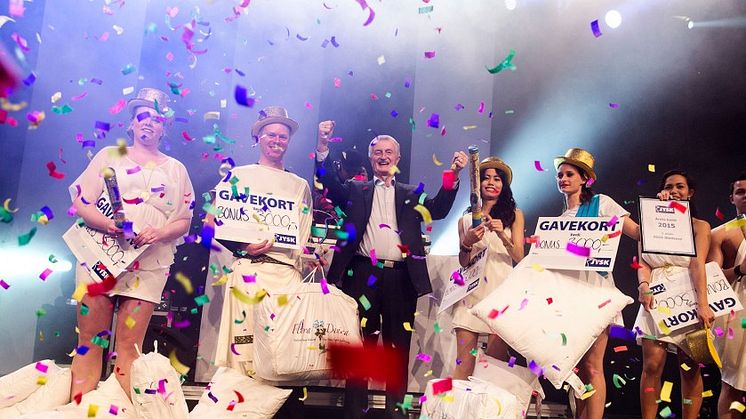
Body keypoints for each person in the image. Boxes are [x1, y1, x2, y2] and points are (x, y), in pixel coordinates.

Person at [315, 120, 467, 418]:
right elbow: (329, 184)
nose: (383, 156)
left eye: (389, 152)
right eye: (377, 152)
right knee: (361, 347)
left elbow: (437, 209)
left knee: (397, 348)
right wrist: (323, 148)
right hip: (361, 275)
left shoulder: (411, 193)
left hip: (401, 278)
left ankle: (395, 413)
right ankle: (355, 412)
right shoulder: (356, 189)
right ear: (371, 159)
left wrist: (454, 175)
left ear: (398, 158)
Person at [68, 88, 195, 399]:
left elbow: (184, 220)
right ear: (132, 123)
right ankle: (77, 410)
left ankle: (122, 411)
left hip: (149, 263)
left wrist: (160, 232)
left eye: (156, 118)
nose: (148, 123)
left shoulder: (176, 169)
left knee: (130, 345)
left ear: (164, 127)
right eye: (142, 116)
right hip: (101, 254)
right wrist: (110, 224)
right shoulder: (110, 155)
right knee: (91, 340)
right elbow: (81, 203)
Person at [213, 106, 313, 379]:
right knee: (244, 355)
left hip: (286, 276)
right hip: (250, 272)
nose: (277, 141)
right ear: (258, 137)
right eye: (271, 135)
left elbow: (302, 232)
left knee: (282, 355)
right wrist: (242, 247)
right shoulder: (238, 176)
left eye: (283, 136)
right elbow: (217, 223)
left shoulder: (299, 185)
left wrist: (306, 258)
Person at [553, 148, 640, 419]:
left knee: (593, 366)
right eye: (560, 175)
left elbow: (636, 233)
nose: (563, 179)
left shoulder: (601, 204)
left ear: (584, 179)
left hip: (596, 291)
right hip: (570, 294)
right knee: (575, 368)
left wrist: (662, 215)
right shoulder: (558, 221)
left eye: (570, 174)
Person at [633, 169, 714, 419]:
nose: (675, 191)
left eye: (680, 187)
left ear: (690, 193)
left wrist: (703, 304)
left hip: (687, 292)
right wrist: (644, 285)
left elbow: (697, 264)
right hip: (656, 293)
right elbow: (643, 262)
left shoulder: (700, 226)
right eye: (669, 186)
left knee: (689, 367)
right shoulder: (649, 222)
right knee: (652, 365)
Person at [452, 157, 524, 379]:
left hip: (501, 295)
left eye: (497, 179)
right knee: (464, 365)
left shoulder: (514, 216)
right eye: (486, 178)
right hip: (470, 295)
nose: (491, 182)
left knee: (494, 365)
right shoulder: (464, 220)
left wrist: (502, 233)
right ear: (478, 184)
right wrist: (468, 242)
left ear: (504, 185)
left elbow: (519, 256)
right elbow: (463, 262)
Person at [708, 172, 746, 418]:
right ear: (731, 198)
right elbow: (711, 277)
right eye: (741, 192)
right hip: (737, 313)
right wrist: (741, 269)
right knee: (732, 382)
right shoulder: (720, 233)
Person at [313, 146, 368, 225]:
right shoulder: (329, 180)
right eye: (348, 171)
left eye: (355, 171)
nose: (352, 174)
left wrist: (365, 186)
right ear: (339, 166)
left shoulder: (359, 185)